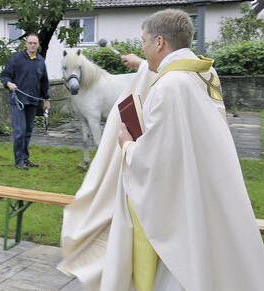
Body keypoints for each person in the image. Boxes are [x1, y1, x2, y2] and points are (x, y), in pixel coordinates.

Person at [60, 9, 264, 291]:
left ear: (159, 43)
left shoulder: (170, 86)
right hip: (210, 181)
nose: (142, 48)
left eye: (143, 41)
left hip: (177, 196)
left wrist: (127, 144)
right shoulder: (204, 72)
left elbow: (154, 160)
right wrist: (143, 64)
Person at [0, 33, 50, 170]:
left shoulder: (40, 61)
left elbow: (44, 81)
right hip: (18, 100)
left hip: (33, 101)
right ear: (26, 44)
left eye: (35, 43)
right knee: (19, 131)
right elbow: (4, 75)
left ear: (38, 45)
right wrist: (8, 84)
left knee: (28, 131)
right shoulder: (16, 59)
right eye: (30, 43)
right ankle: (19, 161)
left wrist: (46, 98)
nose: (32, 45)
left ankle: (25, 159)